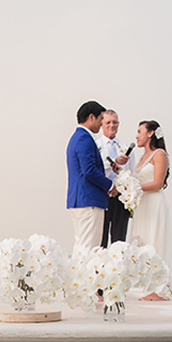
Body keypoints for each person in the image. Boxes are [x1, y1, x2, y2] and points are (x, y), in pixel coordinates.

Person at [127, 119, 172, 300]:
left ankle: (160, 289)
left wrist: (134, 188)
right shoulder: (141, 158)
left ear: (150, 133)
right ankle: (149, 286)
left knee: (156, 242)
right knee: (144, 244)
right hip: (143, 205)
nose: (136, 136)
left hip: (154, 203)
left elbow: (158, 183)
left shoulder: (159, 154)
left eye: (139, 131)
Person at [66, 100, 115, 251]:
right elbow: (89, 170)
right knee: (89, 248)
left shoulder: (77, 137)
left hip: (81, 199)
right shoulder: (84, 138)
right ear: (91, 117)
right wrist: (110, 185)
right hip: (88, 200)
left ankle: (78, 274)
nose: (101, 125)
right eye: (101, 120)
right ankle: (82, 275)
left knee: (82, 246)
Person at [96, 109, 135, 247]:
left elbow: (132, 174)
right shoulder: (96, 146)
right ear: (102, 125)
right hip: (102, 196)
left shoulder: (125, 147)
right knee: (100, 239)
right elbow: (94, 170)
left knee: (119, 240)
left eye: (115, 122)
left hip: (120, 198)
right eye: (108, 122)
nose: (112, 125)